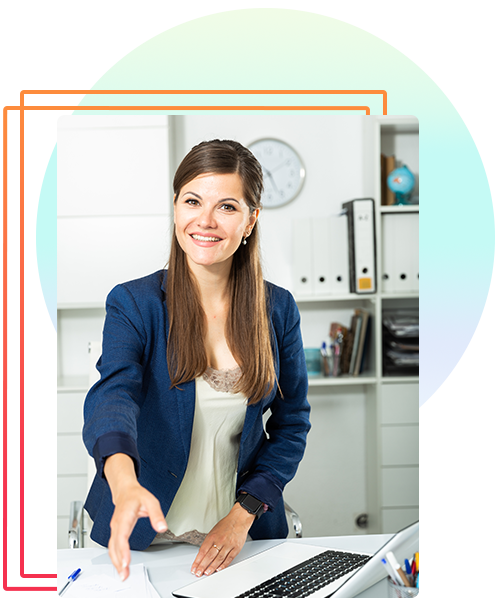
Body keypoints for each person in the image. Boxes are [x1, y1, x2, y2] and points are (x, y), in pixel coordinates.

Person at [82, 139, 311, 582]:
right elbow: (114, 396)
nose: (204, 221)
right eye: (192, 201)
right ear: (175, 208)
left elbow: (292, 423)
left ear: (251, 220)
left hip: (240, 536)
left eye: (227, 207)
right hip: (145, 537)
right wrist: (124, 483)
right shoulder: (135, 303)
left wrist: (243, 514)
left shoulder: (277, 309)